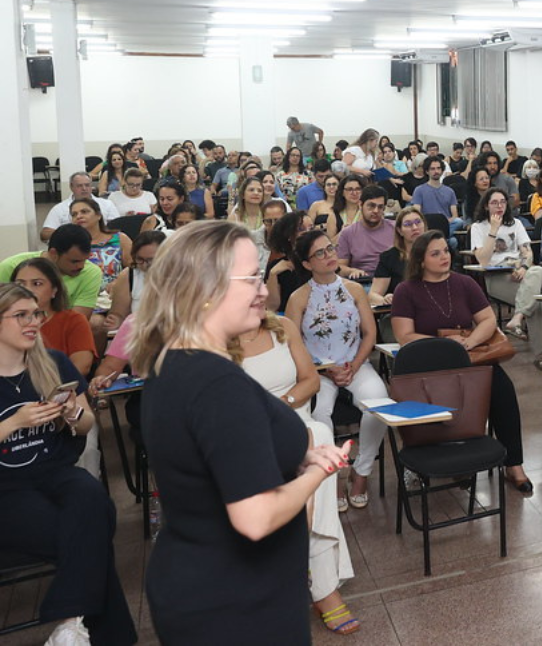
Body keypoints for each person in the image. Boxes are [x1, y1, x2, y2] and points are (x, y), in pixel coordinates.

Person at [131, 222, 351, 643]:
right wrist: (312, 477)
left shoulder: (173, 359)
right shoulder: (216, 383)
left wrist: (297, 452)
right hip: (238, 600)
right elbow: (255, 517)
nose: (263, 289)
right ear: (205, 287)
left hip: (206, 583)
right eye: (250, 278)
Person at [0, 282, 137, 646]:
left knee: (91, 496)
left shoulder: (52, 362)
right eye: (21, 316)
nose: (33, 322)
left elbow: (88, 423)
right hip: (7, 487)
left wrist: (75, 414)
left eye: (36, 314)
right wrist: (14, 423)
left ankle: (70, 622)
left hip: (55, 471)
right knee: (92, 530)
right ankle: (87, 629)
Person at [230, 310, 359, 635]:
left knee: (320, 436)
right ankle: (323, 586)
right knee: (320, 444)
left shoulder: (282, 326)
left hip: (295, 419)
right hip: (249, 432)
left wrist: (281, 407)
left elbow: (311, 380)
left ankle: (310, 573)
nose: (261, 294)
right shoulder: (215, 341)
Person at [390, 230, 534, 494]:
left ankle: (514, 465)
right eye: (435, 253)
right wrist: (446, 346)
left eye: (446, 250)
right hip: (429, 363)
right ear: (421, 260)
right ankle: (434, 459)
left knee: (503, 390)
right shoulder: (406, 290)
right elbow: (405, 336)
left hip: (468, 356)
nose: (444, 256)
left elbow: (488, 321)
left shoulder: (464, 283)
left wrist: (466, 344)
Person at [285, 230, 387, 512]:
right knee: (319, 415)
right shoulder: (299, 297)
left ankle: (361, 473)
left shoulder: (354, 290)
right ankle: (333, 475)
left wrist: (353, 366)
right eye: (320, 253)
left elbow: (370, 333)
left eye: (330, 249)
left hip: (355, 365)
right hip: (319, 371)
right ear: (307, 263)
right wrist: (326, 371)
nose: (329, 255)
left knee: (380, 403)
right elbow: (294, 344)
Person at [470, 189, 542, 371]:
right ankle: (541, 352)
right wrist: (493, 230)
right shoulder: (478, 227)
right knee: (535, 300)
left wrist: (524, 267)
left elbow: (527, 252)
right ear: (486, 205)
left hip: (521, 271)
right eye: (494, 203)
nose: (499, 206)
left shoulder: (515, 224)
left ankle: (517, 317)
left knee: (538, 270)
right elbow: (483, 260)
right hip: (497, 276)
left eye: (503, 202)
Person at [10, 257, 97, 378]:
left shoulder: (73, 320)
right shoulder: (6, 322)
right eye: (20, 284)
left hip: (59, 390)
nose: (27, 290)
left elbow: (81, 367)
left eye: (37, 284)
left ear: (54, 290)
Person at [0, 226, 103, 320]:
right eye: (74, 261)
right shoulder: (10, 267)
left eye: (84, 260)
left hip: (60, 330)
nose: (81, 266)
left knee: (96, 322)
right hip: (13, 329)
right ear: (53, 254)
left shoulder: (91, 272)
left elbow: (77, 321)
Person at [105, 230, 165, 335]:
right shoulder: (129, 275)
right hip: (138, 334)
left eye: (151, 260)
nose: (145, 265)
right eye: (140, 259)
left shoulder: (180, 274)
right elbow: (118, 315)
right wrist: (115, 321)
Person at [369, 206, 426, 307]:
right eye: (408, 224)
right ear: (400, 231)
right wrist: (385, 300)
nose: (415, 227)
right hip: (401, 310)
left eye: (418, 222)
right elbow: (373, 295)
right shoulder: (389, 257)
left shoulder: (437, 252)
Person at [41, 172, 119, 242]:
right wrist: (70, 233)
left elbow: (117, 226)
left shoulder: (107, 204)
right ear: (71, 187)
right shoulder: (59, 209)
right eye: (79, 186)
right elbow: (45, 234)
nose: (84, 188)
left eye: (87, 185)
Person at [336, 185, 394, 277]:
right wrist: (352, 271)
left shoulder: (395, 228)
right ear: (360, 205)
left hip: (391, 279)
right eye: (371, 206)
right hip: (363, 280)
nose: (376, 211)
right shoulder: (347, 233)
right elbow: (340, 267)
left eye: (380, 207)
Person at [264, 211, 314, 313]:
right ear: (289, 235)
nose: (309, 233)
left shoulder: (321, 259)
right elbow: (272, 307)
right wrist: (273, 275)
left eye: (311, 228)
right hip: (287, 317)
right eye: (301, 229)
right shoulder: (276, 267)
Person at [410, 155, 465, 232]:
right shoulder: (419, 190)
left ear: (442, 170)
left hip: (446, 224)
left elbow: (454, 215)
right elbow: (417, 213)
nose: (436, 171)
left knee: (459, 222)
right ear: (427, 171)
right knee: (453, 241)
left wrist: (444, 223)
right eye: (432, 169)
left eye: (438, 168)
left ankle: (439, 237)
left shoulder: (450, 191)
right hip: (427, 226)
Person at [304, 173, 344, 239]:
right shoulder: (316, 205)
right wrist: (324, 226)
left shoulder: (345, 205)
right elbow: (308, 228)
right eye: (328, 185)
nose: (331, 187)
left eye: (334, 184)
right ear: (324, 188)